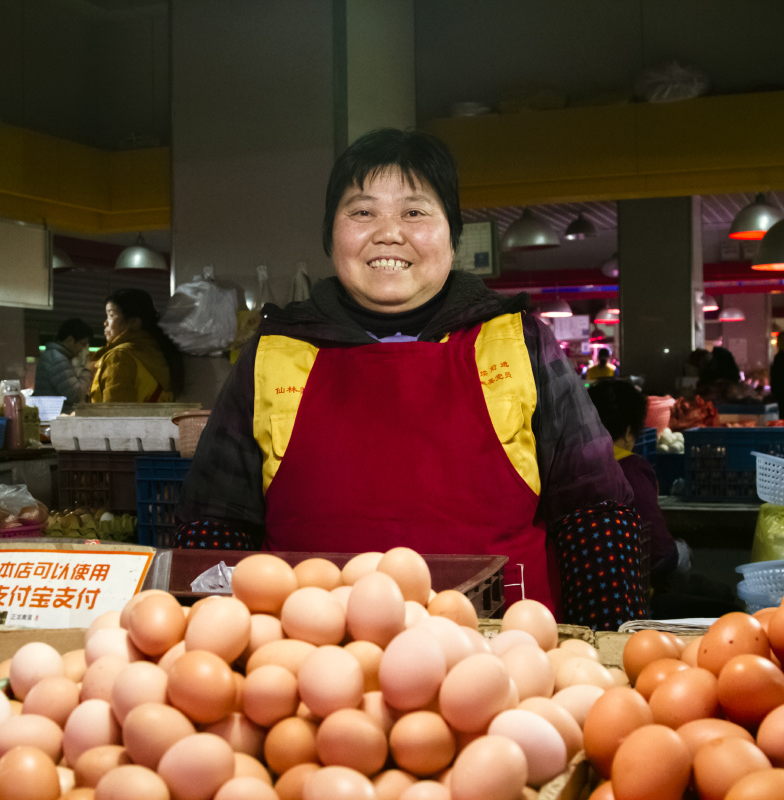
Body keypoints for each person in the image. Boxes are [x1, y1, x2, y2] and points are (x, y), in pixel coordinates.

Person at [178, 128, 643, 629]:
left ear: (453, 233)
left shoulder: (519, 342)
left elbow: (594, 514)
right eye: (362, 212)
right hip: (308, 664)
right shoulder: (274, 352)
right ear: (330, 233)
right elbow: (216, 524)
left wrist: (608, 650)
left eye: (415, 212)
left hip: (503, 659)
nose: (388, 233)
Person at [587, 380, 738, 617]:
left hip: (586, 596)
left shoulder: (571, 467)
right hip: (634, 601)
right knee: (728, 604)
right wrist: (683, 552)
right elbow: (660, 557)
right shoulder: (630, 471)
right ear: (629, 432)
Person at [90, 289, 184, 403]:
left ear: (134, 322)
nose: (105, 323)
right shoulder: (159, 352)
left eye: (111, 315)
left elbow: (115, 414)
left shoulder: (120, 356)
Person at [35, 318, 94, 412]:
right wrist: (88, 370)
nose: (82, 350)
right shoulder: (57, 359)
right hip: (55, 418)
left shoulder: (54, 355)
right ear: (70, 340)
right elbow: (75, 395)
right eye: (82, 344)